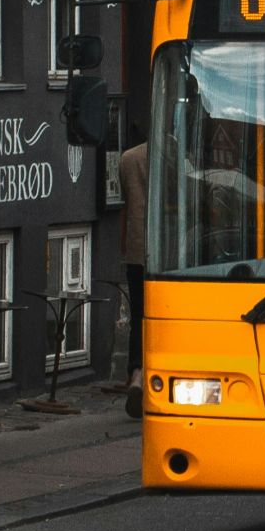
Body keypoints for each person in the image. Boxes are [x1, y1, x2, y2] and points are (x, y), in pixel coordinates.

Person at [117, 141, 149, 419]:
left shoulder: (128, 158)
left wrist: (124, 245)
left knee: (138, 316)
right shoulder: (176, 155)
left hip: (136, 250)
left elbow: (126, 204)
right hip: (168, 255)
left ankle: (136, 373)